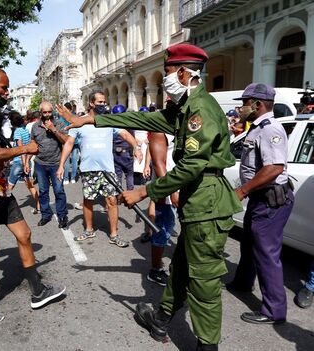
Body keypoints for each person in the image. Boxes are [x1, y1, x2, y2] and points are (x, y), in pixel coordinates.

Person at [56, 43, 242, 351]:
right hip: (199, 203)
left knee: (204, 283)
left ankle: (207, 346)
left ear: (183, 73)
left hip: (207, 201)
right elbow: (142, 121)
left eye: (168, 72)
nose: (166, 79)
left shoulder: (200, 110)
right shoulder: (184, 108)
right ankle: (161, 318)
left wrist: (145, 190)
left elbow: (195, 164)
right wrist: (88, 120)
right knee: (182, 266)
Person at [0, 67, 65, 324]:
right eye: (3, 87)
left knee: (24, 234)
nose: (7, 92)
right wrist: (26, 149)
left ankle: (38, 291)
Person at [226, 83, 294, 325]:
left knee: (267, 253)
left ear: (257, 104)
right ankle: (243, 282)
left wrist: (242, 190)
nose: (242, 107)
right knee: (249, 243)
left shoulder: (269, 129)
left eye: (245, 102)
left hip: (270, 200)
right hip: (260, 198)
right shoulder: (255, 128)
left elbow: (274, 168)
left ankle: (274, 310)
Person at [57, 91, 141, 247]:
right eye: (100, 102)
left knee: (112, 201)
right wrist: (61, 165)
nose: (103, 105)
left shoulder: (109, 121)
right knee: (88, 201)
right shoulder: (79, 122)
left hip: (107, 170)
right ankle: (89, 230)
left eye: (104, 102)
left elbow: (125, 134)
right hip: (88, 169)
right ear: (91, 103)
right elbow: (69, 143)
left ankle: (114, 235)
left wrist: (136, 147)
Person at [30, 101, 71, 228]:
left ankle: (62, 216)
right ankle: (45, 215)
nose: (47, 115)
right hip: (40, 163)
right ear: (40, 113)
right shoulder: (35, 126)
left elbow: (66, 141)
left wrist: (53, 129)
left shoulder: (58, 124)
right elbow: (32, 143)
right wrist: (26, 160)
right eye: (44, 112)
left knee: (59, 190)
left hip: (56, 163)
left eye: (49, 112)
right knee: (43, 191)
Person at [145, 131, 178, 286]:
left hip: (182, 185)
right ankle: (155, 269)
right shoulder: (161, 130)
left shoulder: (183, 125)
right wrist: (172, 191)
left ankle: (178, 267)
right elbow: (159, 163)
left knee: (174, 229)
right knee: (163, 229)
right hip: (167, 189)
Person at [111, 104, 139, 191]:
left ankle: (118, 195)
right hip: (127, 153)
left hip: (116, 153)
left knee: (118, 175)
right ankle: (130, 194)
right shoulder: (129, 124)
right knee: (129, 175)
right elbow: (132, 138)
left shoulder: (112, 125)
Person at [61, 102, 80, 184]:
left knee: (66, 160)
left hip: (65, 141)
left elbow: (61, 129)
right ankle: (73, 178)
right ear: (71, 108)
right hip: (75, 141)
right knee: (75, 160)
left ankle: (65, 179)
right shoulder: (75, 117)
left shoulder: (62, 118)